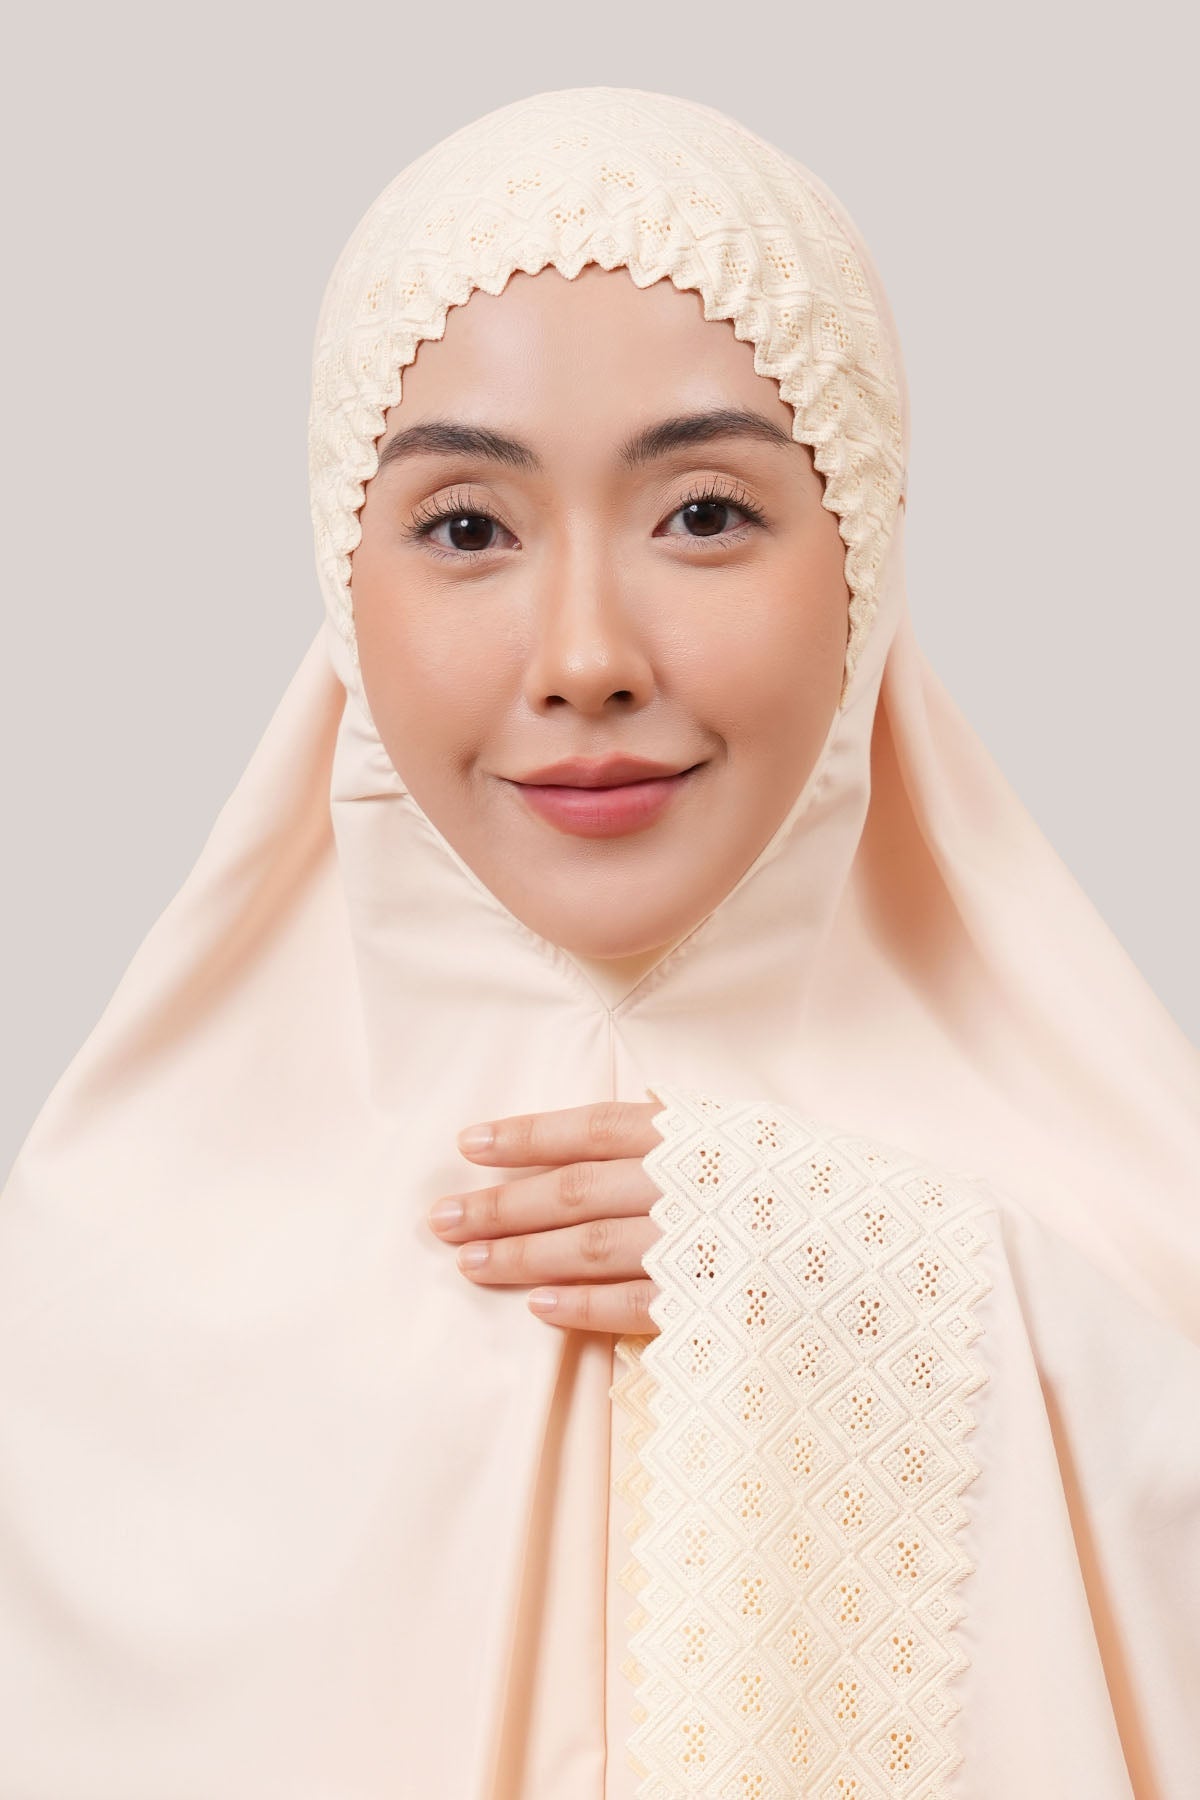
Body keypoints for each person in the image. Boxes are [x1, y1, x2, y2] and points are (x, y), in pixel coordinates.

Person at [1, 83, 1196, 1799]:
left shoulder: (1134, 1222)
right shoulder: (97, 1294)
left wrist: (891, 1283)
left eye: (703, 514)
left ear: (864, 551)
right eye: (467, 528)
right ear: (343, 579)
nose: (585, 659)